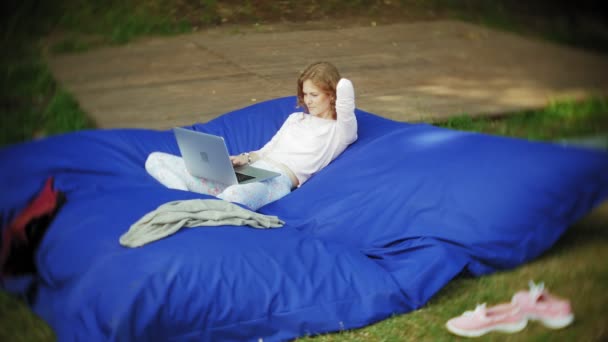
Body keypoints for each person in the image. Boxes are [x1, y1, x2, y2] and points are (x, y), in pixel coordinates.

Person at [145, 61, 358, 210]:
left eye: (314, 94)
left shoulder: (340, 131)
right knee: (156, 159)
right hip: (250, 170)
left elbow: (346, 99)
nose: (308, 100)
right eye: (304, 94)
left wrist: (336, 84)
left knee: (233, 196)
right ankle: (184, 201)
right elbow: (267, 149)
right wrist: (243, 159)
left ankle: (196, 206)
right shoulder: (295, 119)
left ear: (331, 96)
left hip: (277, 181)